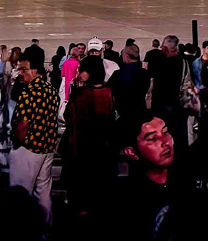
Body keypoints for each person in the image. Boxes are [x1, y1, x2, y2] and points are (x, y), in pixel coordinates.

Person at [64, 55, 117, 217]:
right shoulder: (109, 92)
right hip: (104, 150)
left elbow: (69, 117)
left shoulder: (82, 95)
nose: (79, 72)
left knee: (83, 194)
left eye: (82, 70)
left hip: (84, 150)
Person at [10, 53, 60, 224]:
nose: (20, 73)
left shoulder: (28, 93)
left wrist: (17, 142)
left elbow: (23, 125)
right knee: (43, 191)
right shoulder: (51, 90)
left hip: (28, 148)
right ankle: (44, 227)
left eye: (24, 69)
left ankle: (22, 228)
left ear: (36, 70)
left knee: (21, 192)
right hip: (47, 147)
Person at [116, 113, 175, 239]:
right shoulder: (128, 202)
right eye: (152, 138)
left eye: (166, 132)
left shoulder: (190, 181)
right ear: (131, 152)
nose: (165, 142)